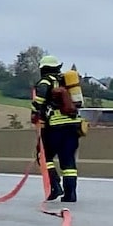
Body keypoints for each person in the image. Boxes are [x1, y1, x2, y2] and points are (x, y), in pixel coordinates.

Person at [31, 55, 84, 202]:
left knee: (44, 156)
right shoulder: (67, 81)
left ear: (43, 68)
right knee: (68, 162)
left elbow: (39, 101)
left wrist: (34, 112)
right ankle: (70, 194)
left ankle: (54, 186)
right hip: (73, 126)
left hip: (55, 127)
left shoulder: (45, 81)